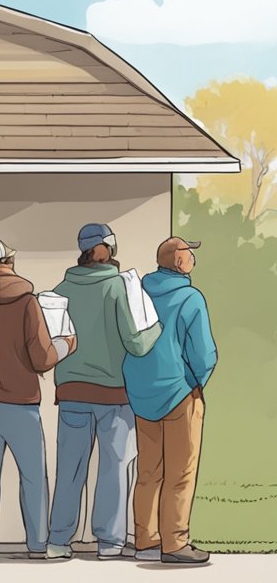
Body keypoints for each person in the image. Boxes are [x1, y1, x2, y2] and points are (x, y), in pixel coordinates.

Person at [48, 223, 162, 561]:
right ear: (109, 249)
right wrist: (155, 327)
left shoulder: (60, 289)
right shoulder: (118, 288)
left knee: (69, 467)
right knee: (114, 467)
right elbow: (137, 343)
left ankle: (58, 541)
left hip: (70, 391)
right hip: (113, 393)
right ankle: (109, 542)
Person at [0, 237, 76, 563]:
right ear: (8, 262)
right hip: (23, 401)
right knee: (33, 477)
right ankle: (38, 544)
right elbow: (42, 358)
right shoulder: (28, 302)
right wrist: (67, 345)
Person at [123, 237, 217, 564]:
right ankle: (175, 543)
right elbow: (204, 354)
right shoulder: (190, 297)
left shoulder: (139, 294)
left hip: (142, 392)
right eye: (188, 253)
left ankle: (146, 538)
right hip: (180, 394)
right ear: (178, 262)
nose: (192, 257)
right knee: (181, 471)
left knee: (149, 470)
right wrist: (195, 384)